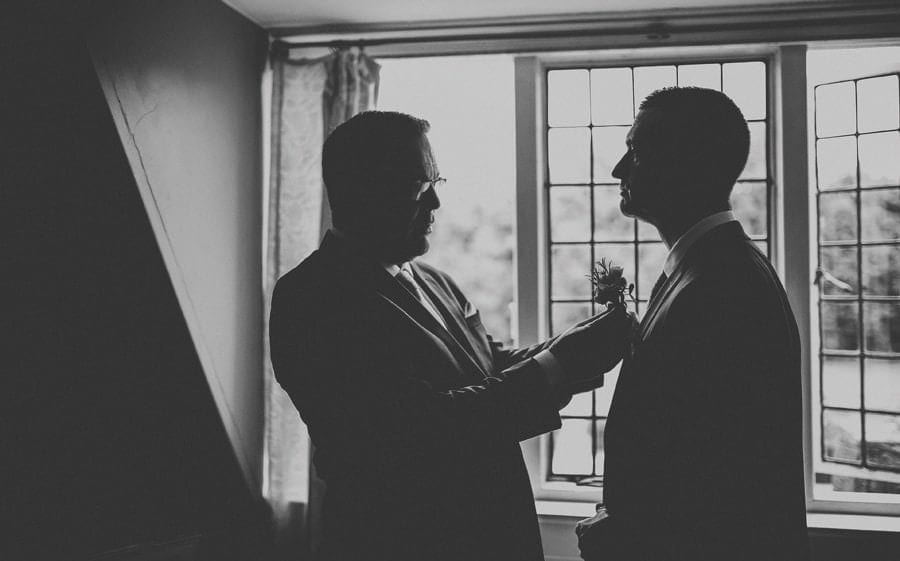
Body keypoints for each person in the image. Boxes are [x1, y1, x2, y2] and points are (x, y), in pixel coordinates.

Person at [269, 111, 631, 561]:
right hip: (404, 542)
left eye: (438, 182)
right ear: (364, 191)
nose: (437, 203)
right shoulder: (313, 298)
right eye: (420, 188)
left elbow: (489, 365)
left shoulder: (434, 279)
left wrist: (577, 345)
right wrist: (560, 364)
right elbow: (421, 430)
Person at [576, 88, 809, 561]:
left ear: (690, 164)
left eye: (636, 151)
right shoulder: (703, 268)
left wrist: (629, 532)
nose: (619, 169)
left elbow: (728, 470)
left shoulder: (723, 285)